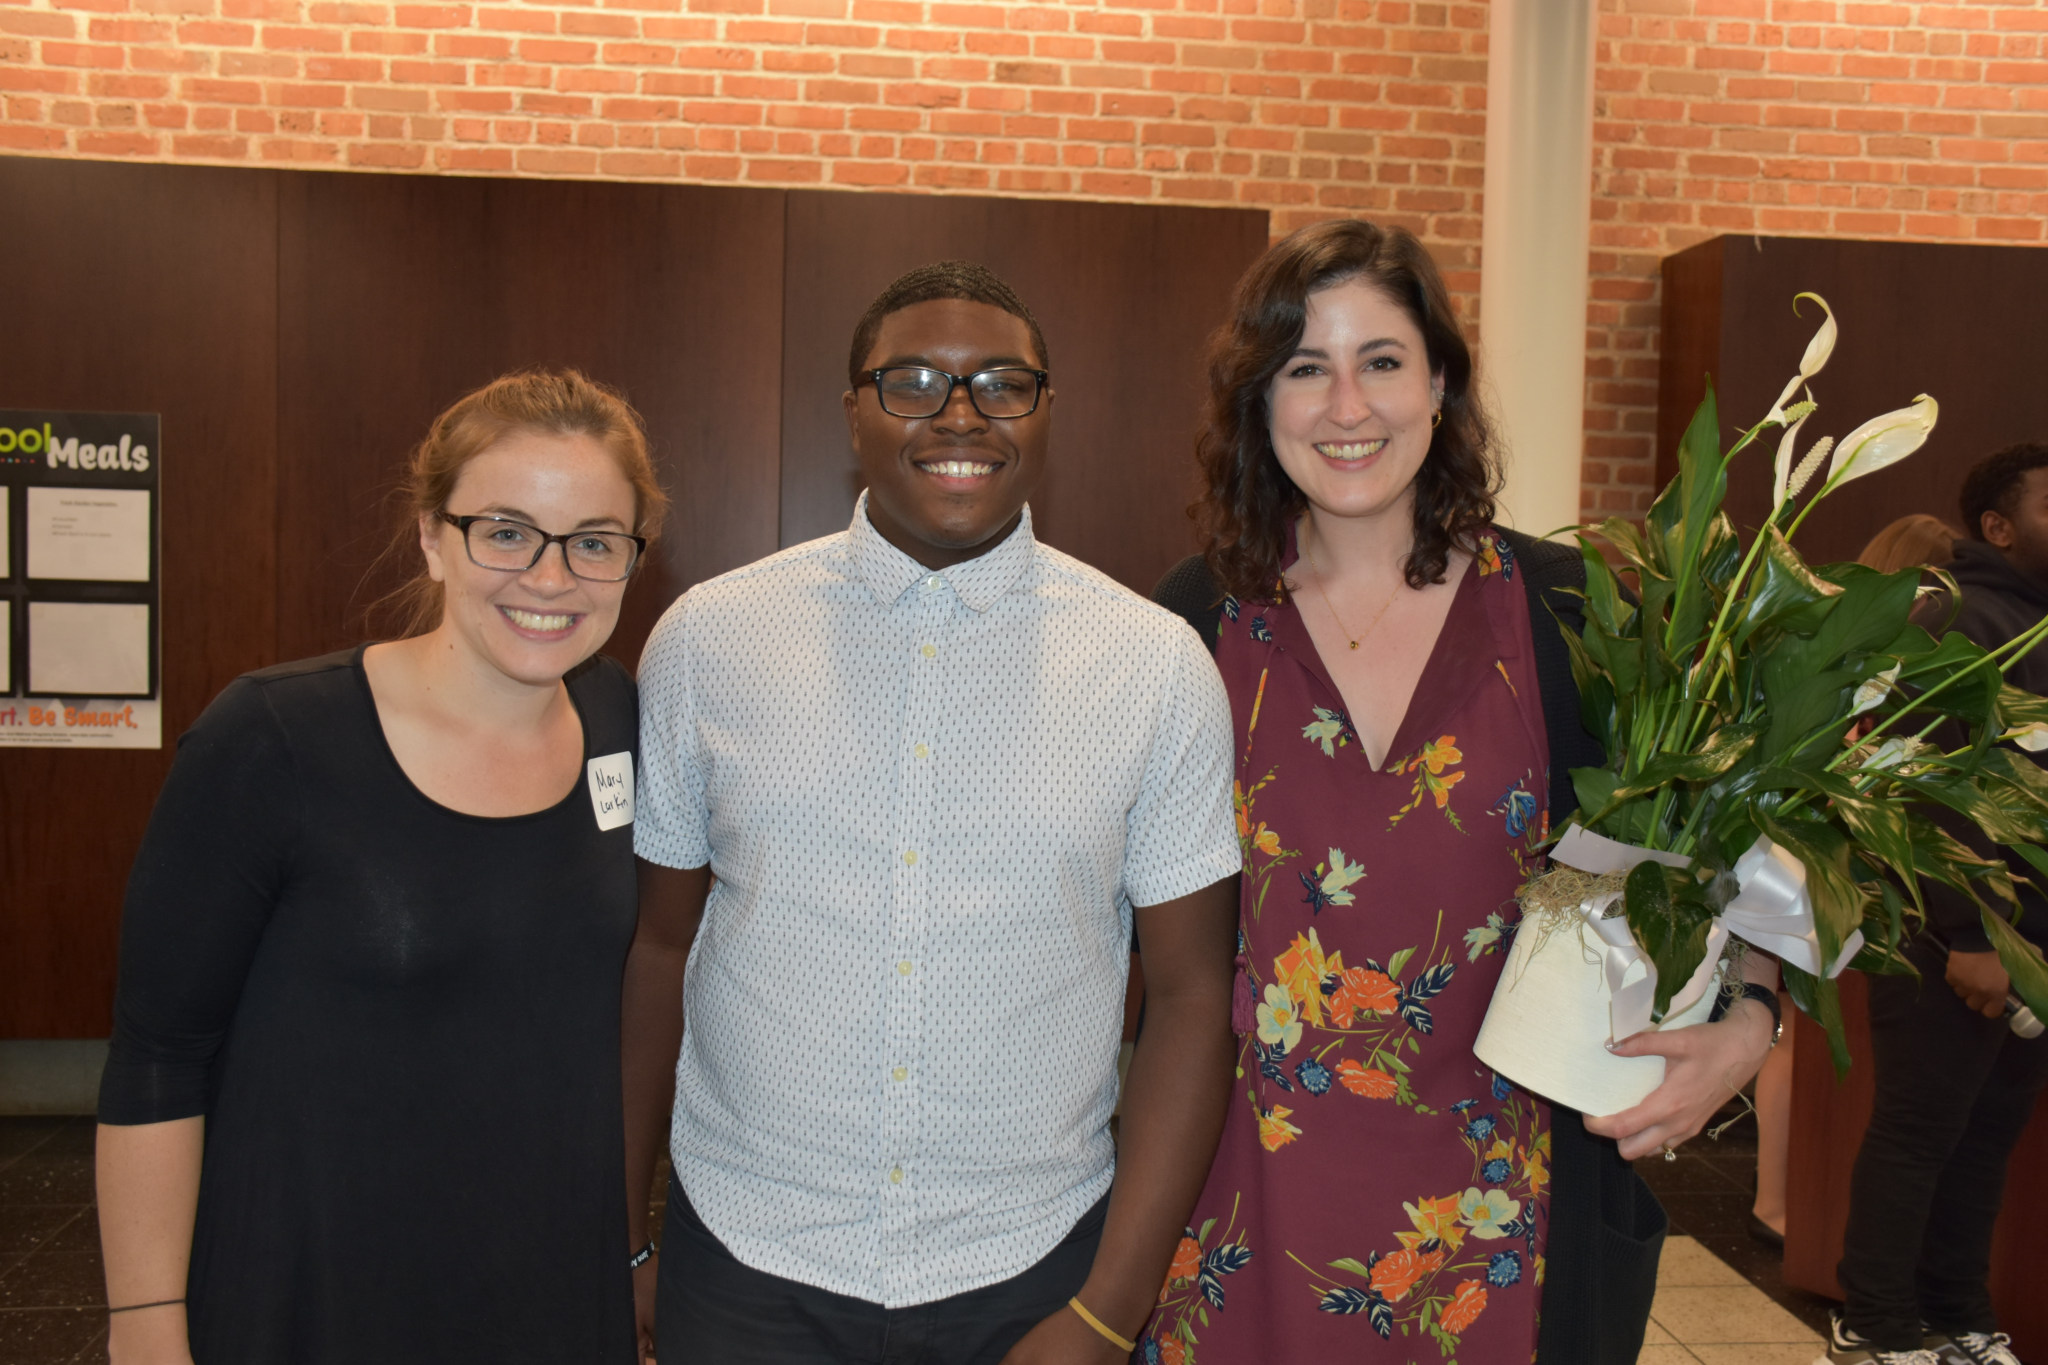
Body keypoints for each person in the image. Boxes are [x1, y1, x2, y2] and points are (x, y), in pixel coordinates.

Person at [1148, 218, 1782, 1365]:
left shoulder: (1574, 613)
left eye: (1380, 361)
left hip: (1506, 1225)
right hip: (1236, 1216)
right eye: (1304, 368)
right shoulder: (1192, 622)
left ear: (1438, 381)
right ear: (1259, 401)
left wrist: (1749, 1021)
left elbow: (1730, 848)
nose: (1347, 407)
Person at [621, 261, 1241, 1364]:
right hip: (748, 1259)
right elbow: (660, 946)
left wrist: (1108, 1309)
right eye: (911, 380)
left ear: (1046, 412)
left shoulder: (1153, 666)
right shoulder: (707, 642)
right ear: (851, 411)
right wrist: (625, 1241)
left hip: (1032, 1269)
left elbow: (1192, 993)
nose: (960, 413)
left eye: (1003, 382)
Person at [94, 370, 664, 1363]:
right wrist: (145, 1325)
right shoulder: (274, 740)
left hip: (543, 1283)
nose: (549, 576)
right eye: (505, 531)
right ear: (432, 537)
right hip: (315, 1287)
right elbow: (157, 1057)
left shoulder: (616, 719)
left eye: (593, 542)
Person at [1826, 448, 2048, 1365]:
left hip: (2033, 947)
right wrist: (1973, 936)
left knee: (1985, 1141)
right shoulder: (1951, 617)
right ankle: (1873, 1322)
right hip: (1950, 938)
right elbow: (1923, 792)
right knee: (1920, 1135)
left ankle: (1957, 1311)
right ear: (1998, 527)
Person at [1747, 514, 1964, 1249]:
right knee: (1805, 1031)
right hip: (1841, 860)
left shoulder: (1826, 622)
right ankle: (1787, 1206)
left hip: (1795, 853)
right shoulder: (1906, 652)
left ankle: (1775, 1202)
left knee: (1788, 1031)